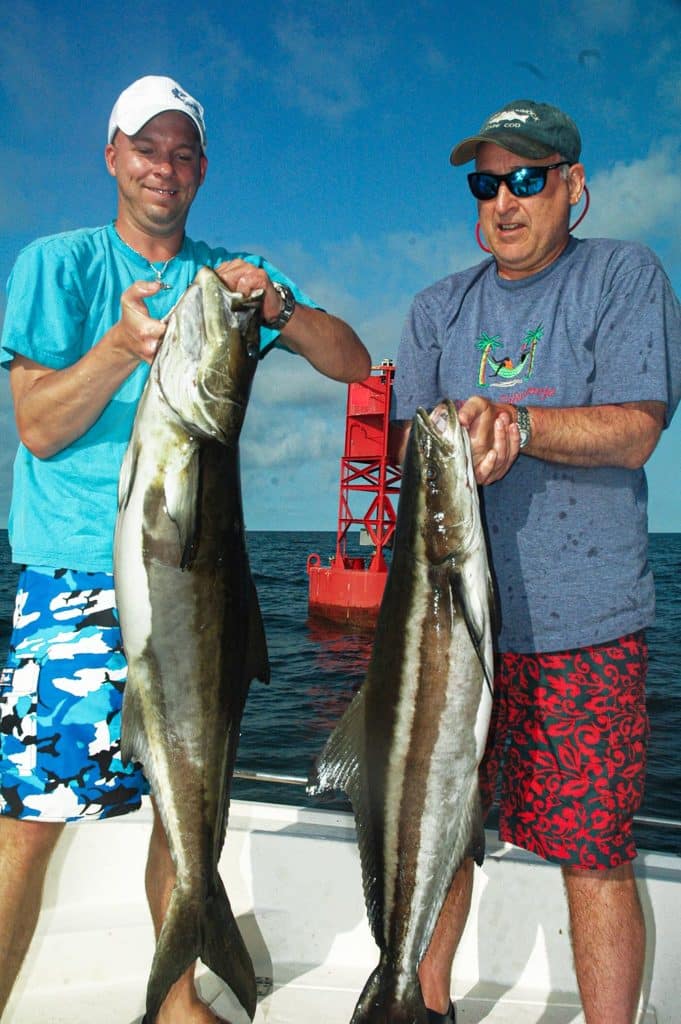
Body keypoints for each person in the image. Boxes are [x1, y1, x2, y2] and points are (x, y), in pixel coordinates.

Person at [0, 75, 370, 1024]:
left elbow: (352, 362)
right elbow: (37, 427)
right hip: (81, 579)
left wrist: (279, 308)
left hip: (205, 579)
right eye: (146, 147)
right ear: (112, 155)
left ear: (201, 168)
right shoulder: (59, 263)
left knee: (184, 808)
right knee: (30, 823)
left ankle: (175, 1005)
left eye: (182, 151)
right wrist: (122, 348)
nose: (164, 167)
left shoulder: (229, 273)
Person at [390, 99, 681, 1024]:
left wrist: (515, 424)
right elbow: (408, 457)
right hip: (443, 638)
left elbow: (635, 428)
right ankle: (419, 1008)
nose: (504, 201)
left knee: (593, 851)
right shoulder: (437, 308)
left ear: (573, 188)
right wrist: (442, 442)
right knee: (434, 840)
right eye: (487, 183)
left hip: (581, 623)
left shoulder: (622, 276)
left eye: (526, 178)